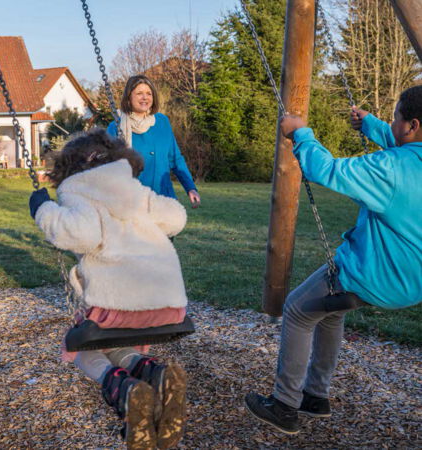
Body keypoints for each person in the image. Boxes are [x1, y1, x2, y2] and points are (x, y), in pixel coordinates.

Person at [245, 86, 422, 434]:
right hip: (412, 280)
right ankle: (316, 395)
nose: (393, 122)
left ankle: (283, 405)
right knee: (329, 311)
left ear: (411, 124)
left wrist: (300, 132)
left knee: (297, 309)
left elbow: (325, 169)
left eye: (396, 116)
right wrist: (371, 125)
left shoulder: (390, 168)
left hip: (379, 276)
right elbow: (405, 147)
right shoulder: (408, 159)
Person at [29, 129, 189, 449]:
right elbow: (176, 217)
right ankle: (153, 374)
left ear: (69, 169)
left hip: (119, 308)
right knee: (114, 340)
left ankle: (125, 392)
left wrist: (43, 210)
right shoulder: (135, 190)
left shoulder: (78, 190)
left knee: (83, 349)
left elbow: (80, 234)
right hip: (169, 309)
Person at [107, 75, 201, 208]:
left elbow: (175, 158)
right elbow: (107, 166)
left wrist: (190, 188)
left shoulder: (162, 122)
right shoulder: (116, 126)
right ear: (129, 97)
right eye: (139, 93)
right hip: (133, 200)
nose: (145, 97)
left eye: (149, 93)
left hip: (163, 198)